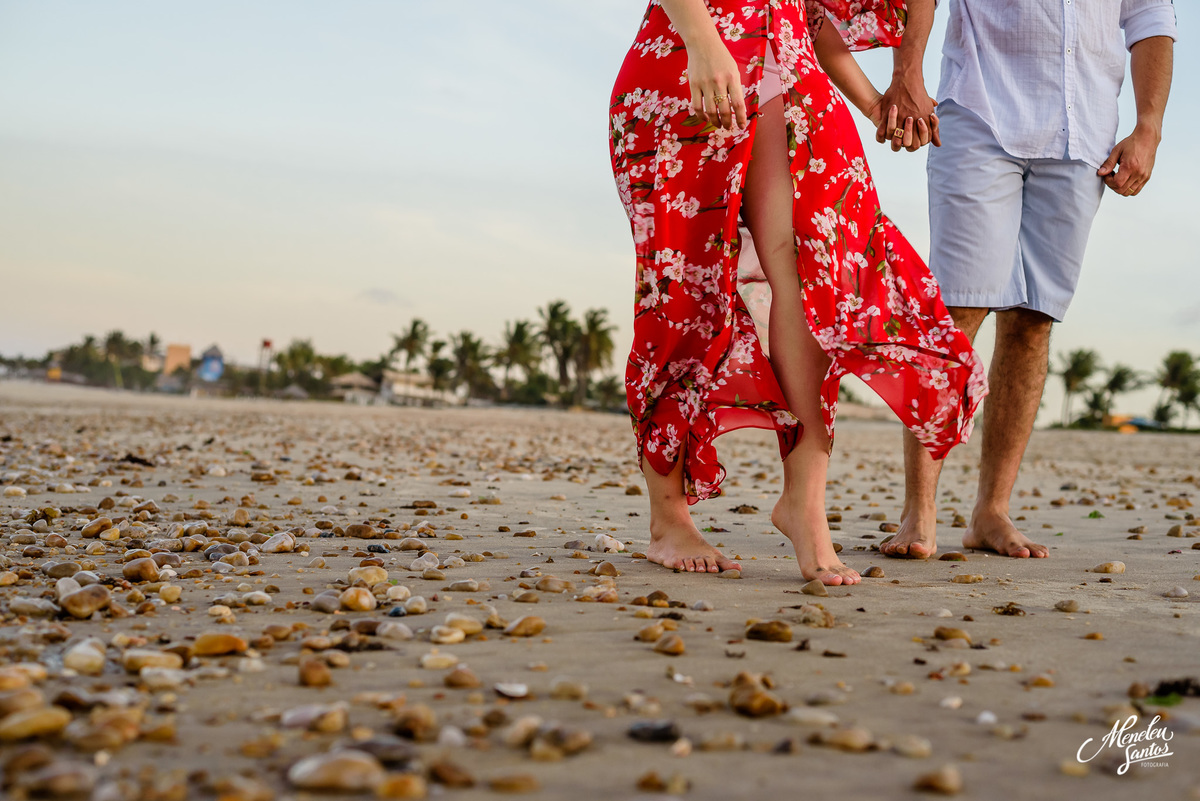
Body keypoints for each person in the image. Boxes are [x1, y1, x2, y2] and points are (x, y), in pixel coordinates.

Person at [608, 0, 986, 584]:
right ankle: (668, 520)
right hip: (687, 63)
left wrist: (877, 105)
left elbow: (808, 17)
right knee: (682, 290)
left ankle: (805, 508)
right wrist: (703, 41)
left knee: (817, 278)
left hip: (792, 81)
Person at [882, 0, 1177, 560]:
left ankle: (991, 511)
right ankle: (917, 512)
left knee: (1033, 320)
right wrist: (907, 74)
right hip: (979, 114)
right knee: (954, 312)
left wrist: (1149, 128)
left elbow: (1150, 20)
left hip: (1083, 132)